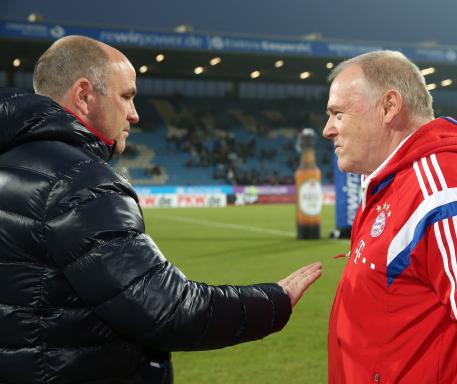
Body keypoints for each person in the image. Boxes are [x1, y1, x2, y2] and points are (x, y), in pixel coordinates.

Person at [0, 35, 321, 384]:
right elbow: (166, 308)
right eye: (126, 97)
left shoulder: (11, 164)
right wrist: (273, 302)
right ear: (83, 95)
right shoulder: (81, 182)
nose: (135, 115)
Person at [323, 51, 457, 383]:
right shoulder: (392, 183)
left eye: (338, 114)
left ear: (389, 106)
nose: (328, 130)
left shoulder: (442, 191)